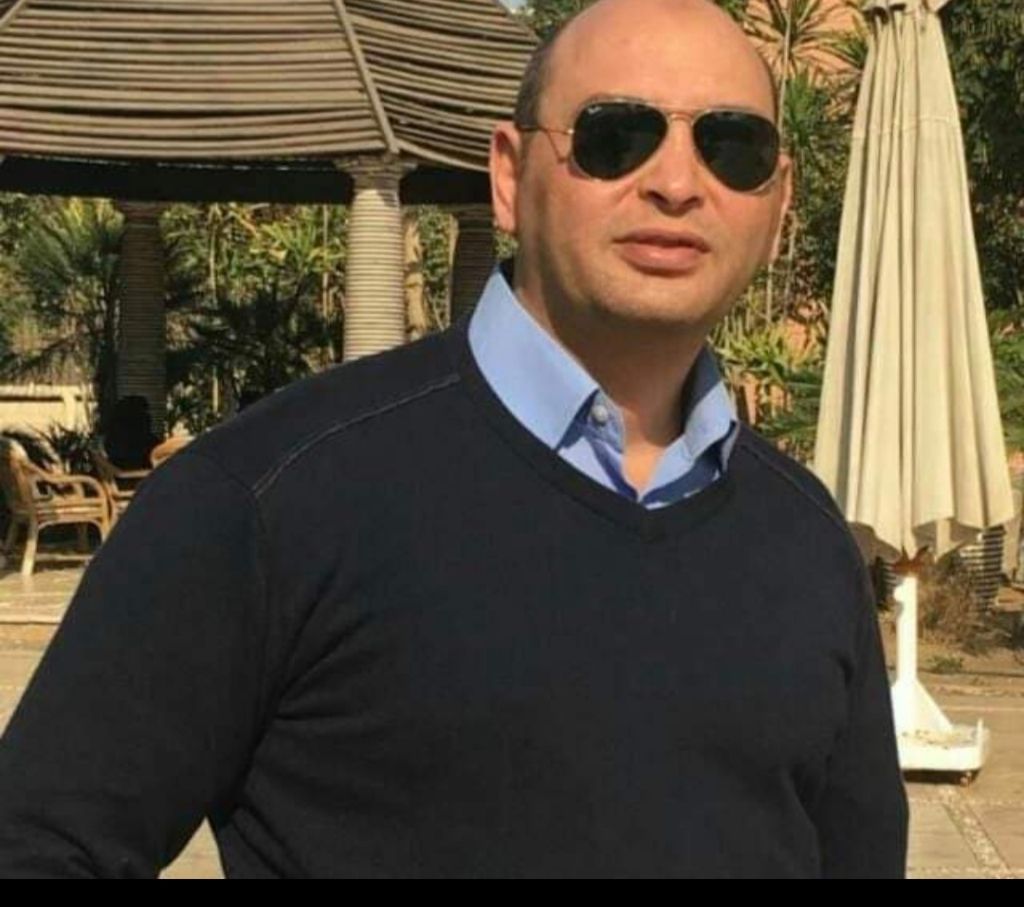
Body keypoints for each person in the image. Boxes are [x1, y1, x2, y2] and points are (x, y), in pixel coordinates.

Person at [0, 0, 908, 878]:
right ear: (509, 178)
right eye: (615, 136)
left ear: (777, 203)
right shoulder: (269, 501)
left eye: (732, 146)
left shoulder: (806, 540)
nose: (677, 182)